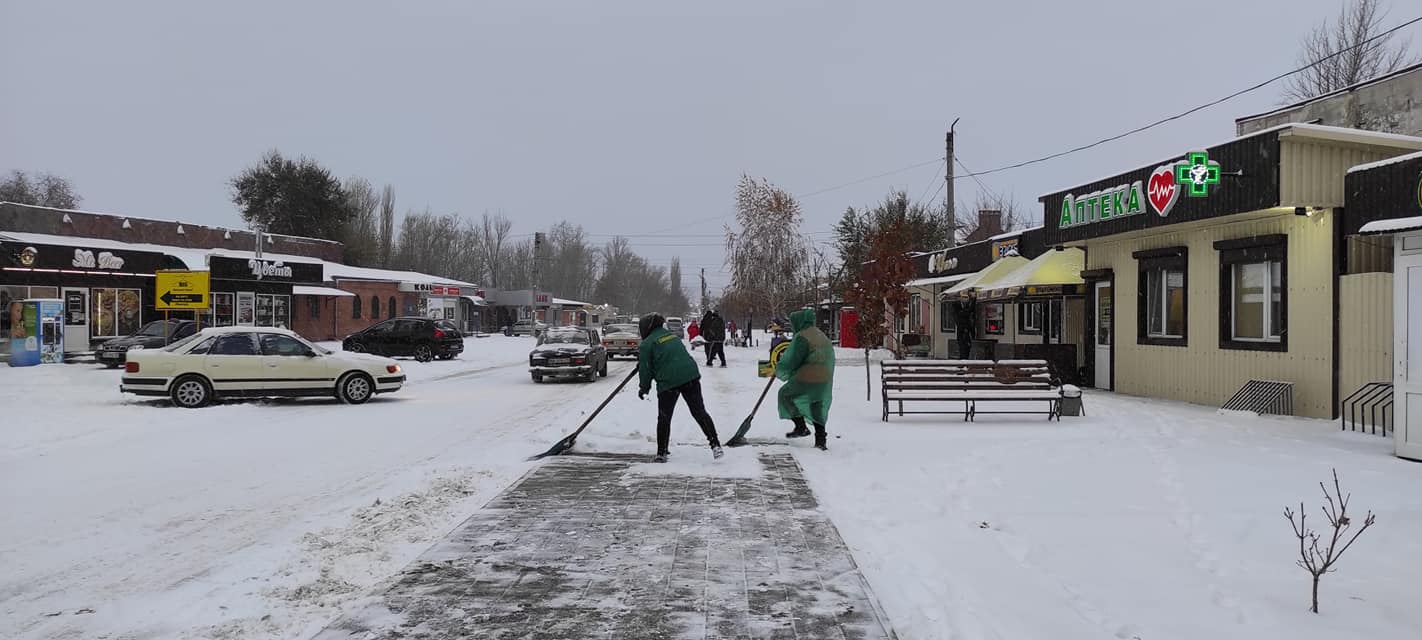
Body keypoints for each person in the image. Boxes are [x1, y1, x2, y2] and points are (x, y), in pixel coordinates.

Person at [637, 313, 724, 463]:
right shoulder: (671, 336)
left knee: (664, 417)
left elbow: (646, 370)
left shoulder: (647, 344)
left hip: (669, 381)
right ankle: (715, 444)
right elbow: (668, 356)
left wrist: (644, 388)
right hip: (690, 376)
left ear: (646, 328)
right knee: (699, 412)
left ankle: (661, 453)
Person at [775, 309, 835, 451]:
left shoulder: (803, 336)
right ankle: (821, 440)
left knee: (785, 394)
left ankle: (801, 426)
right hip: (824, 377)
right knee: (816, 404)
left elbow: (793, 359)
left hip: (809, 376)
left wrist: (782, 367)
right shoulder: (819, 334)